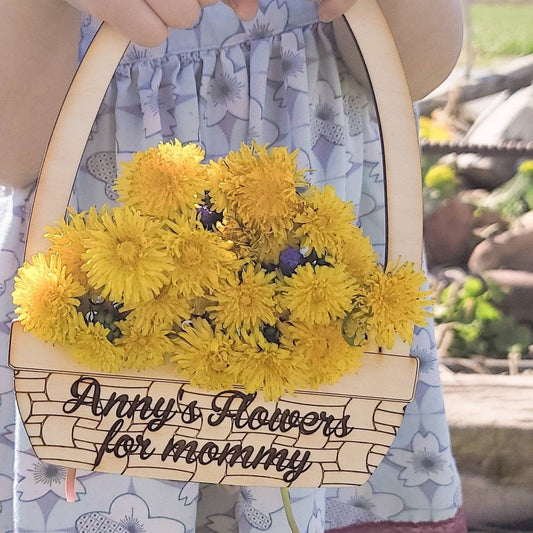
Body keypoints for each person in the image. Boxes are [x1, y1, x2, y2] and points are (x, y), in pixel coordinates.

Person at [0, 1, 465, 531]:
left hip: (323, 270)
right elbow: (15, 152)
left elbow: (414, 69)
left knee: (308, 451)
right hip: (100, 318)